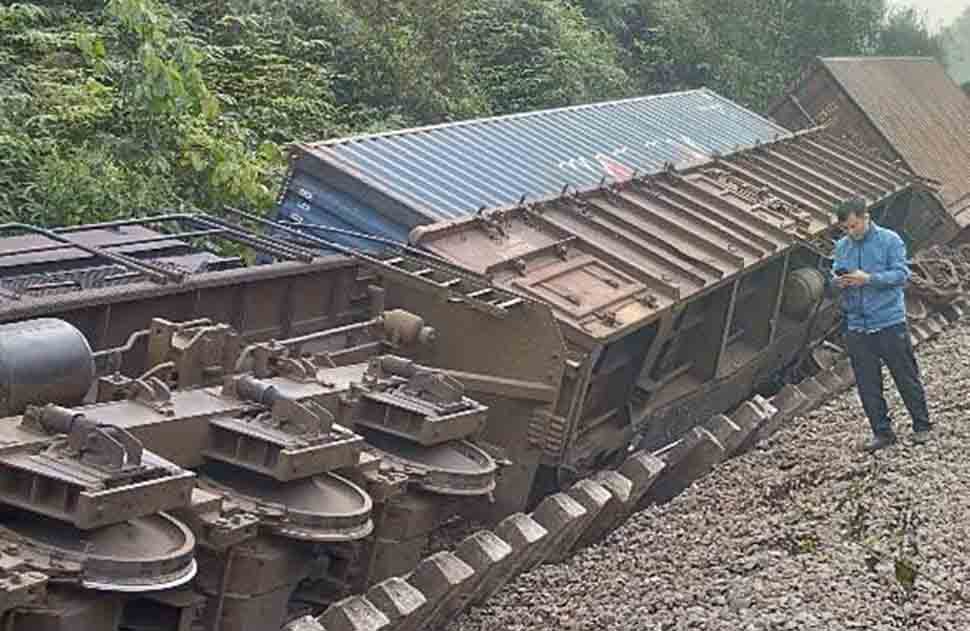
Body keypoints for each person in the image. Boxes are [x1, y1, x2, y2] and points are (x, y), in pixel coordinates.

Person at [831, 198, 931, 452]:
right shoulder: (842, 247)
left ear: (866, 217)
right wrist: (837, 282)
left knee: (905, 376)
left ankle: (922, 425)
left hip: (889, 322)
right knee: (867, 384)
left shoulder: (890, 240)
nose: (850, 232)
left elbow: (901, 274)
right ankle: (882, 433)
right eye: (845, 228)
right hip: (857, 325)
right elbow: (834, 275)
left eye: (853, 226)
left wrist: (869, 279)